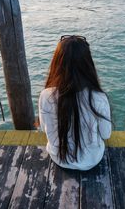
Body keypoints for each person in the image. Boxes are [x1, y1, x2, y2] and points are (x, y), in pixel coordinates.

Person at [39, 35, 112, 170]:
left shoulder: (46, 95)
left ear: (57, 63)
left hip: (59, 158)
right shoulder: (98, 97)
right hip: (92, 160)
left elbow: (44, 129)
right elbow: (106, 134)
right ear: (87, 64)